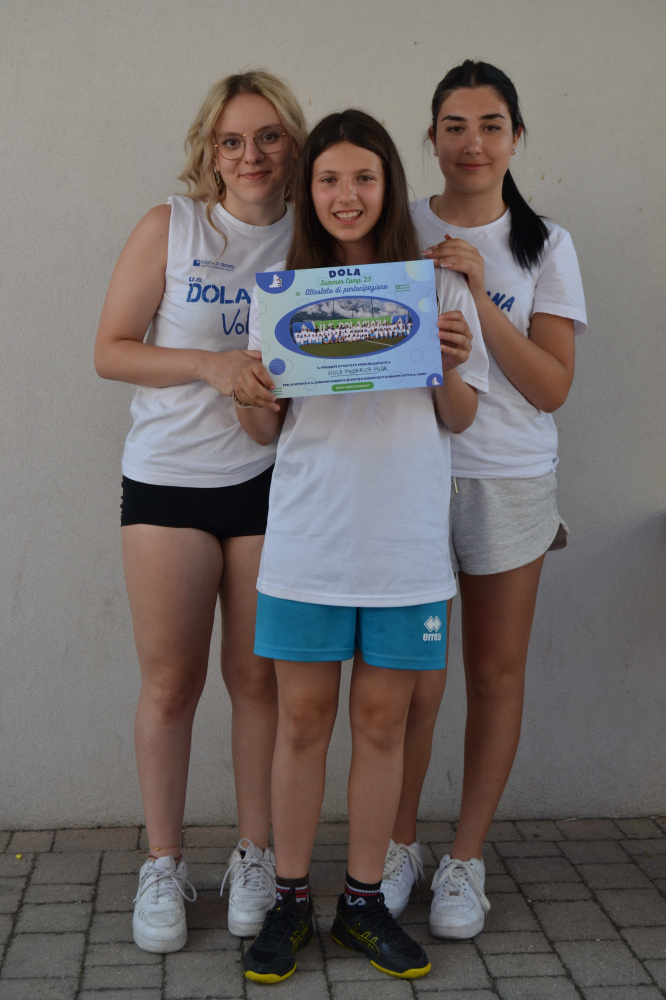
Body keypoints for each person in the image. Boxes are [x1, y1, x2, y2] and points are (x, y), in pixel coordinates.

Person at [231, 109, 488, 984]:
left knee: (382, 724)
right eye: (331, 179)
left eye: (365, 178)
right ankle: (290, 901)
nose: (348, 195)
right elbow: (262, 433)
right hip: (310, 542)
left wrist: (450, 363)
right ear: (309, 190)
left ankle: (364, 903)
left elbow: (461, 418)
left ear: (389, 186)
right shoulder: (281, 291)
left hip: (406, 548)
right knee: (303, 722)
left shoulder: (437, 286)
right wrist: (251, 393)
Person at [94, 71, 307, 953]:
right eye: (233, 140)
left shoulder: (313, 238)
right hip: (168, 484)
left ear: (292, 144)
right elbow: (111, 350)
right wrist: (209, 366)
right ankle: (163, 863)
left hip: (269, 483)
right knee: (171, 684)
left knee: (257, 679)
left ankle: (255, 856)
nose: (251, 155)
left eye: (268, 137)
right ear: (210, 152)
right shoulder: (172, 226)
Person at [381, 60, 587, 939]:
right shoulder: (397, 223)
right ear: (431, 137)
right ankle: (397, 844)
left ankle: (465, 858)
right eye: (455, 126)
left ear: (515, 137)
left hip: (508, 477)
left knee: (495, 674)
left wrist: (474, 291)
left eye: (491, 125)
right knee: (409, 679)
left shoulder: (546, 245)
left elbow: (550, 386)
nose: (473, 143)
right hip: (410, 473)